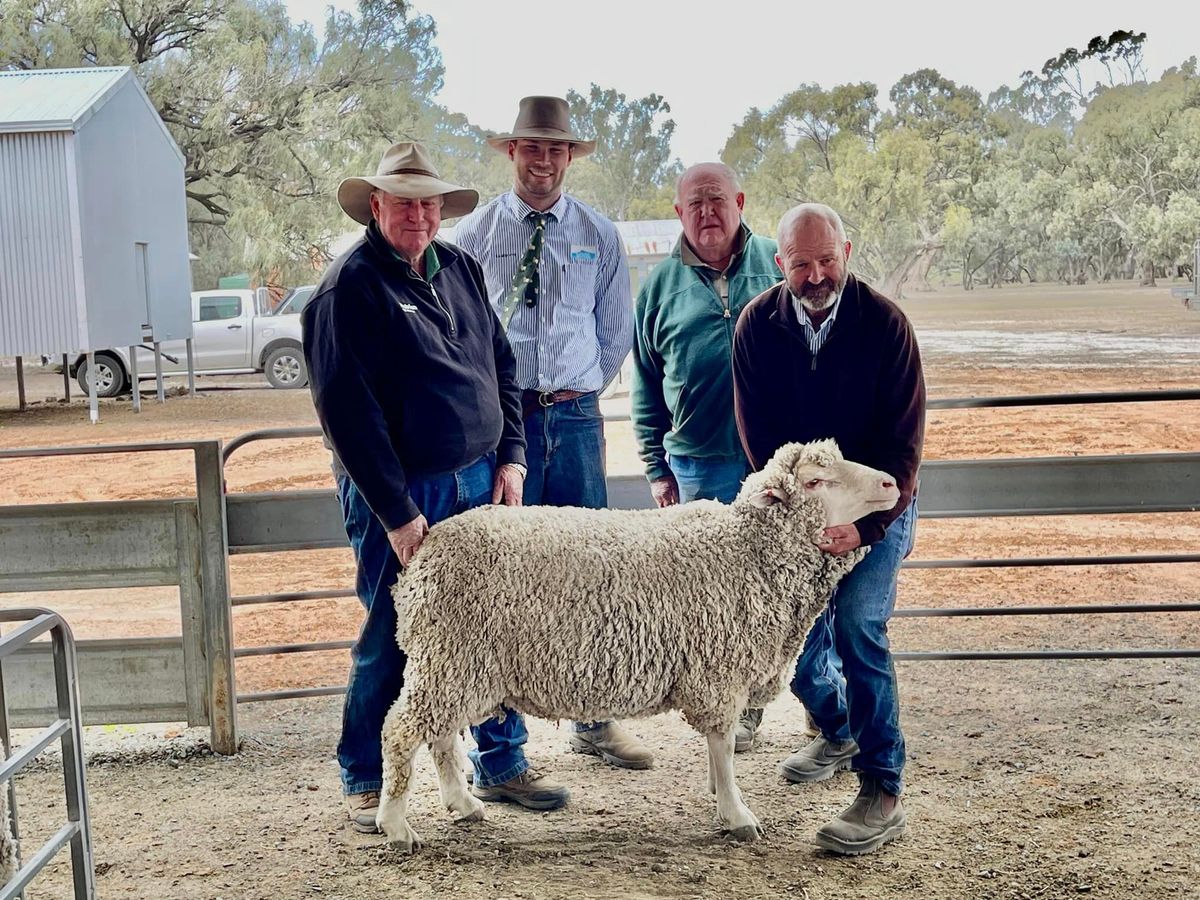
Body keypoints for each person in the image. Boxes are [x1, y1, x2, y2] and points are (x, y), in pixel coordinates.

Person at [302, 141, 569, 834]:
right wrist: (395, 512)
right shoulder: (349, 288)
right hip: (403, 491)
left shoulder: (459, 268)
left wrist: (512, 454)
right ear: (377, 206)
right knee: (394, 627)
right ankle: (365, 775)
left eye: (429, 203)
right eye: (405, 202)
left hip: (481, 479)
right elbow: (346, 412)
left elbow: (501, 365)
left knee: (497, 622)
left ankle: (502, 762)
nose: (420, 214)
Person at [453, 95, 653, 770]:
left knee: (590, 569)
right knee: (503, 576)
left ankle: (595, 719)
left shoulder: (598, 233)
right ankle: (500, 748)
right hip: (505, 425)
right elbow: (465, 330)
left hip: (574, 416)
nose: (543, 161)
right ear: (512, 153)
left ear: (569, 157)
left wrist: (578, 383)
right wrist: (504, 401)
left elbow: (615, 326)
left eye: (555, 149)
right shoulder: (475, 237)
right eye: (531, 148)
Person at [732, 202, 925, 855]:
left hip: (876, 508)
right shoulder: (757, 327)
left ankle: (882, 788)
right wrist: (804, 522)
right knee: (792, 633)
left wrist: (864, 528)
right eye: (802, 264)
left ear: (847, 249)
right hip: (800, 514)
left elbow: (902, 454)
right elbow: (760, 442)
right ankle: (838, 727)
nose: (816, 275)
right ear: (779, 261)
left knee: (857, 628)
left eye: (827, 261)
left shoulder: (886, 327)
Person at [629, 162, 780, 752]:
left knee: (791, 582)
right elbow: (644, 382)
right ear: (678, 213)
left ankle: (821, 699)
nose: (707, 212)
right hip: (699, 462)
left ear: (740, 201)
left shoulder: (777, 260)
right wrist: (656, 466)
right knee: (718, 595)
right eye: (695, 203)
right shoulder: (659, 287)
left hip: (775, 463)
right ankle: (734, 706)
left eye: (717, 199)